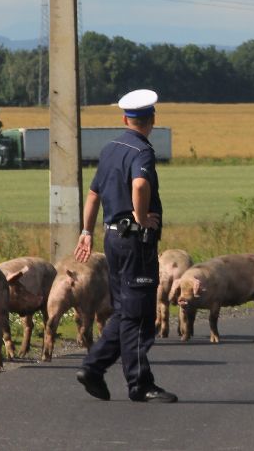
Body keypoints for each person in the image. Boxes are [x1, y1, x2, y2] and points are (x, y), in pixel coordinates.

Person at [73, 88, 177, 404]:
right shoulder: (142, 151)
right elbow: (140, 184)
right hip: (135, 243)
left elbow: (94, 194)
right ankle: (135, 382)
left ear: (124, 119)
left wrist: (86, 231)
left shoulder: (110, 148)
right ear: (152, 119)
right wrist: (141, 217)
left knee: (124, 309)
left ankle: (98, 369)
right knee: (139, 314)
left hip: (112, 239)